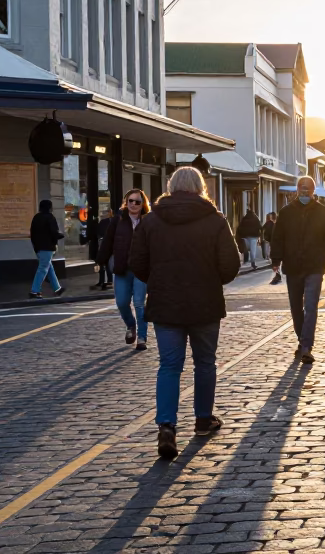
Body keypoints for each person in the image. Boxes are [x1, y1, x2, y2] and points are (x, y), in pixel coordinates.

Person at [129, 166, 240, 458]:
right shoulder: (215, 220)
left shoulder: (151, 221)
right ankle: (203, 419)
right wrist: (212, 279)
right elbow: (230, 265)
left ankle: (167, 426)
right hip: (205, 303)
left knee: (169, 366)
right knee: (205, 363)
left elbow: (137, 261)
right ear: (200, 187)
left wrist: (157, 280)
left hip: (166, 304)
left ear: (171, 186)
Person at [270, 176, 325, 364]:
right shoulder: (286, 213)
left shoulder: (324, 213)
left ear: (313, 191)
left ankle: (306, 346)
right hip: (292, 266)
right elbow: (278, 238)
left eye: (308, 189)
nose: (305, 192)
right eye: (302, 189)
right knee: (296, 308)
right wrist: (276, 259)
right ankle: (302, 340)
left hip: (314, 266)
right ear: (297, 190)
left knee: (310, 306)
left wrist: (322, 251)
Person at [96, 189, 151, 351]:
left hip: (141, 269)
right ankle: (131, 326)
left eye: (137, 202)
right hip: (121, 269)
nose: (133, 204)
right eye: (130, 201)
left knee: (140, 304)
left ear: (143, 204)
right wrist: (100, 261)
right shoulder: (118, 220)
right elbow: (107, 242)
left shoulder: (148, 221)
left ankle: (142, 338)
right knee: (121, 303)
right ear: (126, 203)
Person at [28, 199, 65, 299]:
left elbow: (32, 233)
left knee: (49, 268)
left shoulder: (36, 218)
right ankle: (34, 291)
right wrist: (60, 235)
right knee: (43, 268)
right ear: (49, 207)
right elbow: (54, 232)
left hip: (38, 247)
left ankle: (57, 288)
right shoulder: (50, 217)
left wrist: (35, 246)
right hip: (48, 247)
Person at [92, 208, 115, 290]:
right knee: (106, 264)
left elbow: (99, 233)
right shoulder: (113, 221)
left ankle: (104, 281)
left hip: (104, 245)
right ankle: (108, 281)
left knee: (103, 263)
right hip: (109, 245)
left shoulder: (104, 222)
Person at [262, 213, 280, 284]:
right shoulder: (274, 225)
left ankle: (267, 257)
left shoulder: (269, 224)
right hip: (271, 239)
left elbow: (262, 228)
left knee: (268, 249)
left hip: (268, 238)